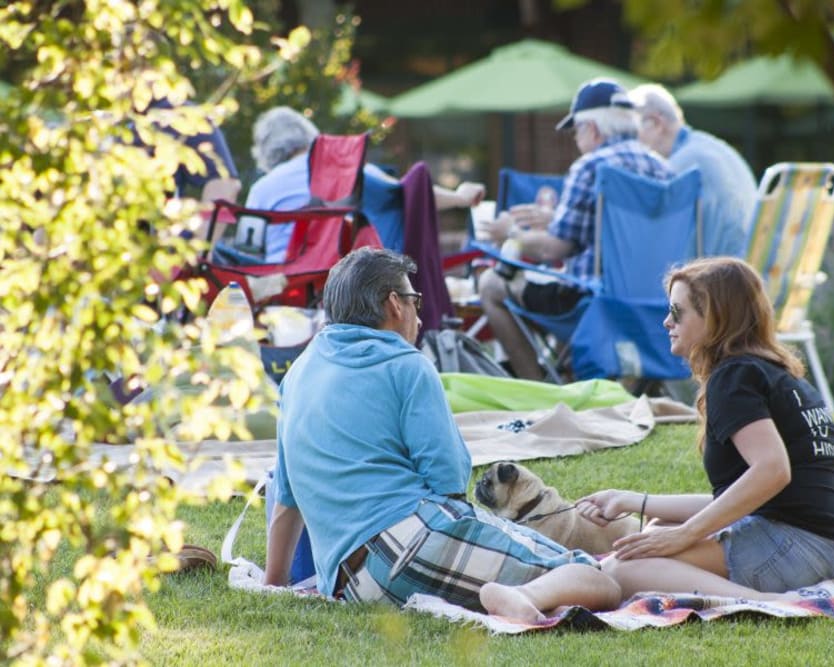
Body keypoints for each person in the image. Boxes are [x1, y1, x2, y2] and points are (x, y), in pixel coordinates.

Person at [264, 247, 621, 621]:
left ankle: (519, 593)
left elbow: (287, 500)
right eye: (415, 300)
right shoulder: (406, 364)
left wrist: (273, 584)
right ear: (394, 305)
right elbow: (448, 480)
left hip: (349, 584)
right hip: (410, 544)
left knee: (548, 560)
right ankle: (524, 596)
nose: (419, 315)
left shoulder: (298, 374)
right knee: (594, 576)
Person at [576, 256, 834, 600]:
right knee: (658, 531)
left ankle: (772, 604)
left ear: (714, 316)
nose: (667, 322)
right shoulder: (770, 372)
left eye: (678, 312)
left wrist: (685, 536)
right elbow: (738, 499)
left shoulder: (733, 377)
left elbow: (772, 471)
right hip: (825, 546)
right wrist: (628, 501)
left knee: (624, 568)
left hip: (799, 548)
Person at [477, 78, 675, 380]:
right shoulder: (665, 170)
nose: (576, 140)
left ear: (592, 129)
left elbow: (553, 248)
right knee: (549, 286)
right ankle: (575, 378)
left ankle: (538, 387)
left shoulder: (591, 166)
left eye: (576, 131)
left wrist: (510, 233)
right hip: (654, 301)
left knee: (491, 284)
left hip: (594, 303)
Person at [212, 106, 485, 265]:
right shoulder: (346, 171)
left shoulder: (263, 188)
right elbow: (408, 193)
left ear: (266, 152)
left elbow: (249, 254)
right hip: (339, 285)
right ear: (311, 136)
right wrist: (460, 197)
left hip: (278, 291)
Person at [629, 84, 758, 258]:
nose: (631, 145)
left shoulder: (679, 168)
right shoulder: (715, 147)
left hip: (719, 278)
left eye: (632, 133)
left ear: (656, 123)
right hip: (750, 270)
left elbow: (661, 247)